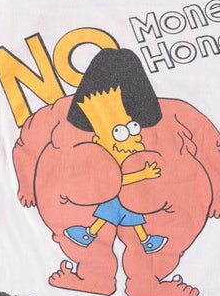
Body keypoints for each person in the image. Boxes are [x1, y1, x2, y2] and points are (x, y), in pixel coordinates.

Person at [64, 48, 168, 253]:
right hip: (117, 193)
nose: (135, 136)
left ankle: (91, 234)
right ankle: (143, 240)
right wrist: (144, 174)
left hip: (122, 195)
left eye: (134, 128)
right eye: (121, 132)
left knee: (122, 214)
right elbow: (118, 180)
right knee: (124, 214)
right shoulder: (105, 160)